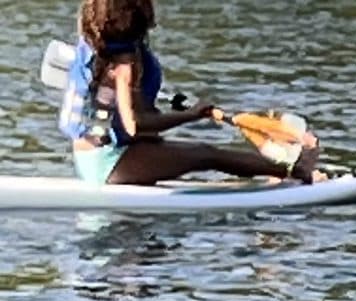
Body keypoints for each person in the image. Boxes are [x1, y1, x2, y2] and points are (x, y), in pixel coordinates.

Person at [58, 0, 317, 187]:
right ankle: (296, 171)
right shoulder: (124, 66)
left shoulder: (92, 42)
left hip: (90, 155)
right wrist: (192, 115)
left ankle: (276, 172)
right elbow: (134, 125)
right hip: (109, 162)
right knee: (206, 153)